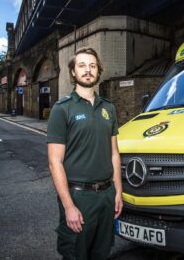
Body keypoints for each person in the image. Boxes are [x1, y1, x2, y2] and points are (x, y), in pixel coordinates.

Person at [47, 47, 123, 260]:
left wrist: (118, 191)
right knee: (76, 254)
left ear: (99, 71)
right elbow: (55, 162)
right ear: (73, 72)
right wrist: (69, 205)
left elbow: (114, 153)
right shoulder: (62, 109)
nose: (88, 70)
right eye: (82, 66)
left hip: (107, 196)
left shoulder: (109, 108)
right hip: (78, 196)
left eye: (92, 66)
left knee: (102, 253)